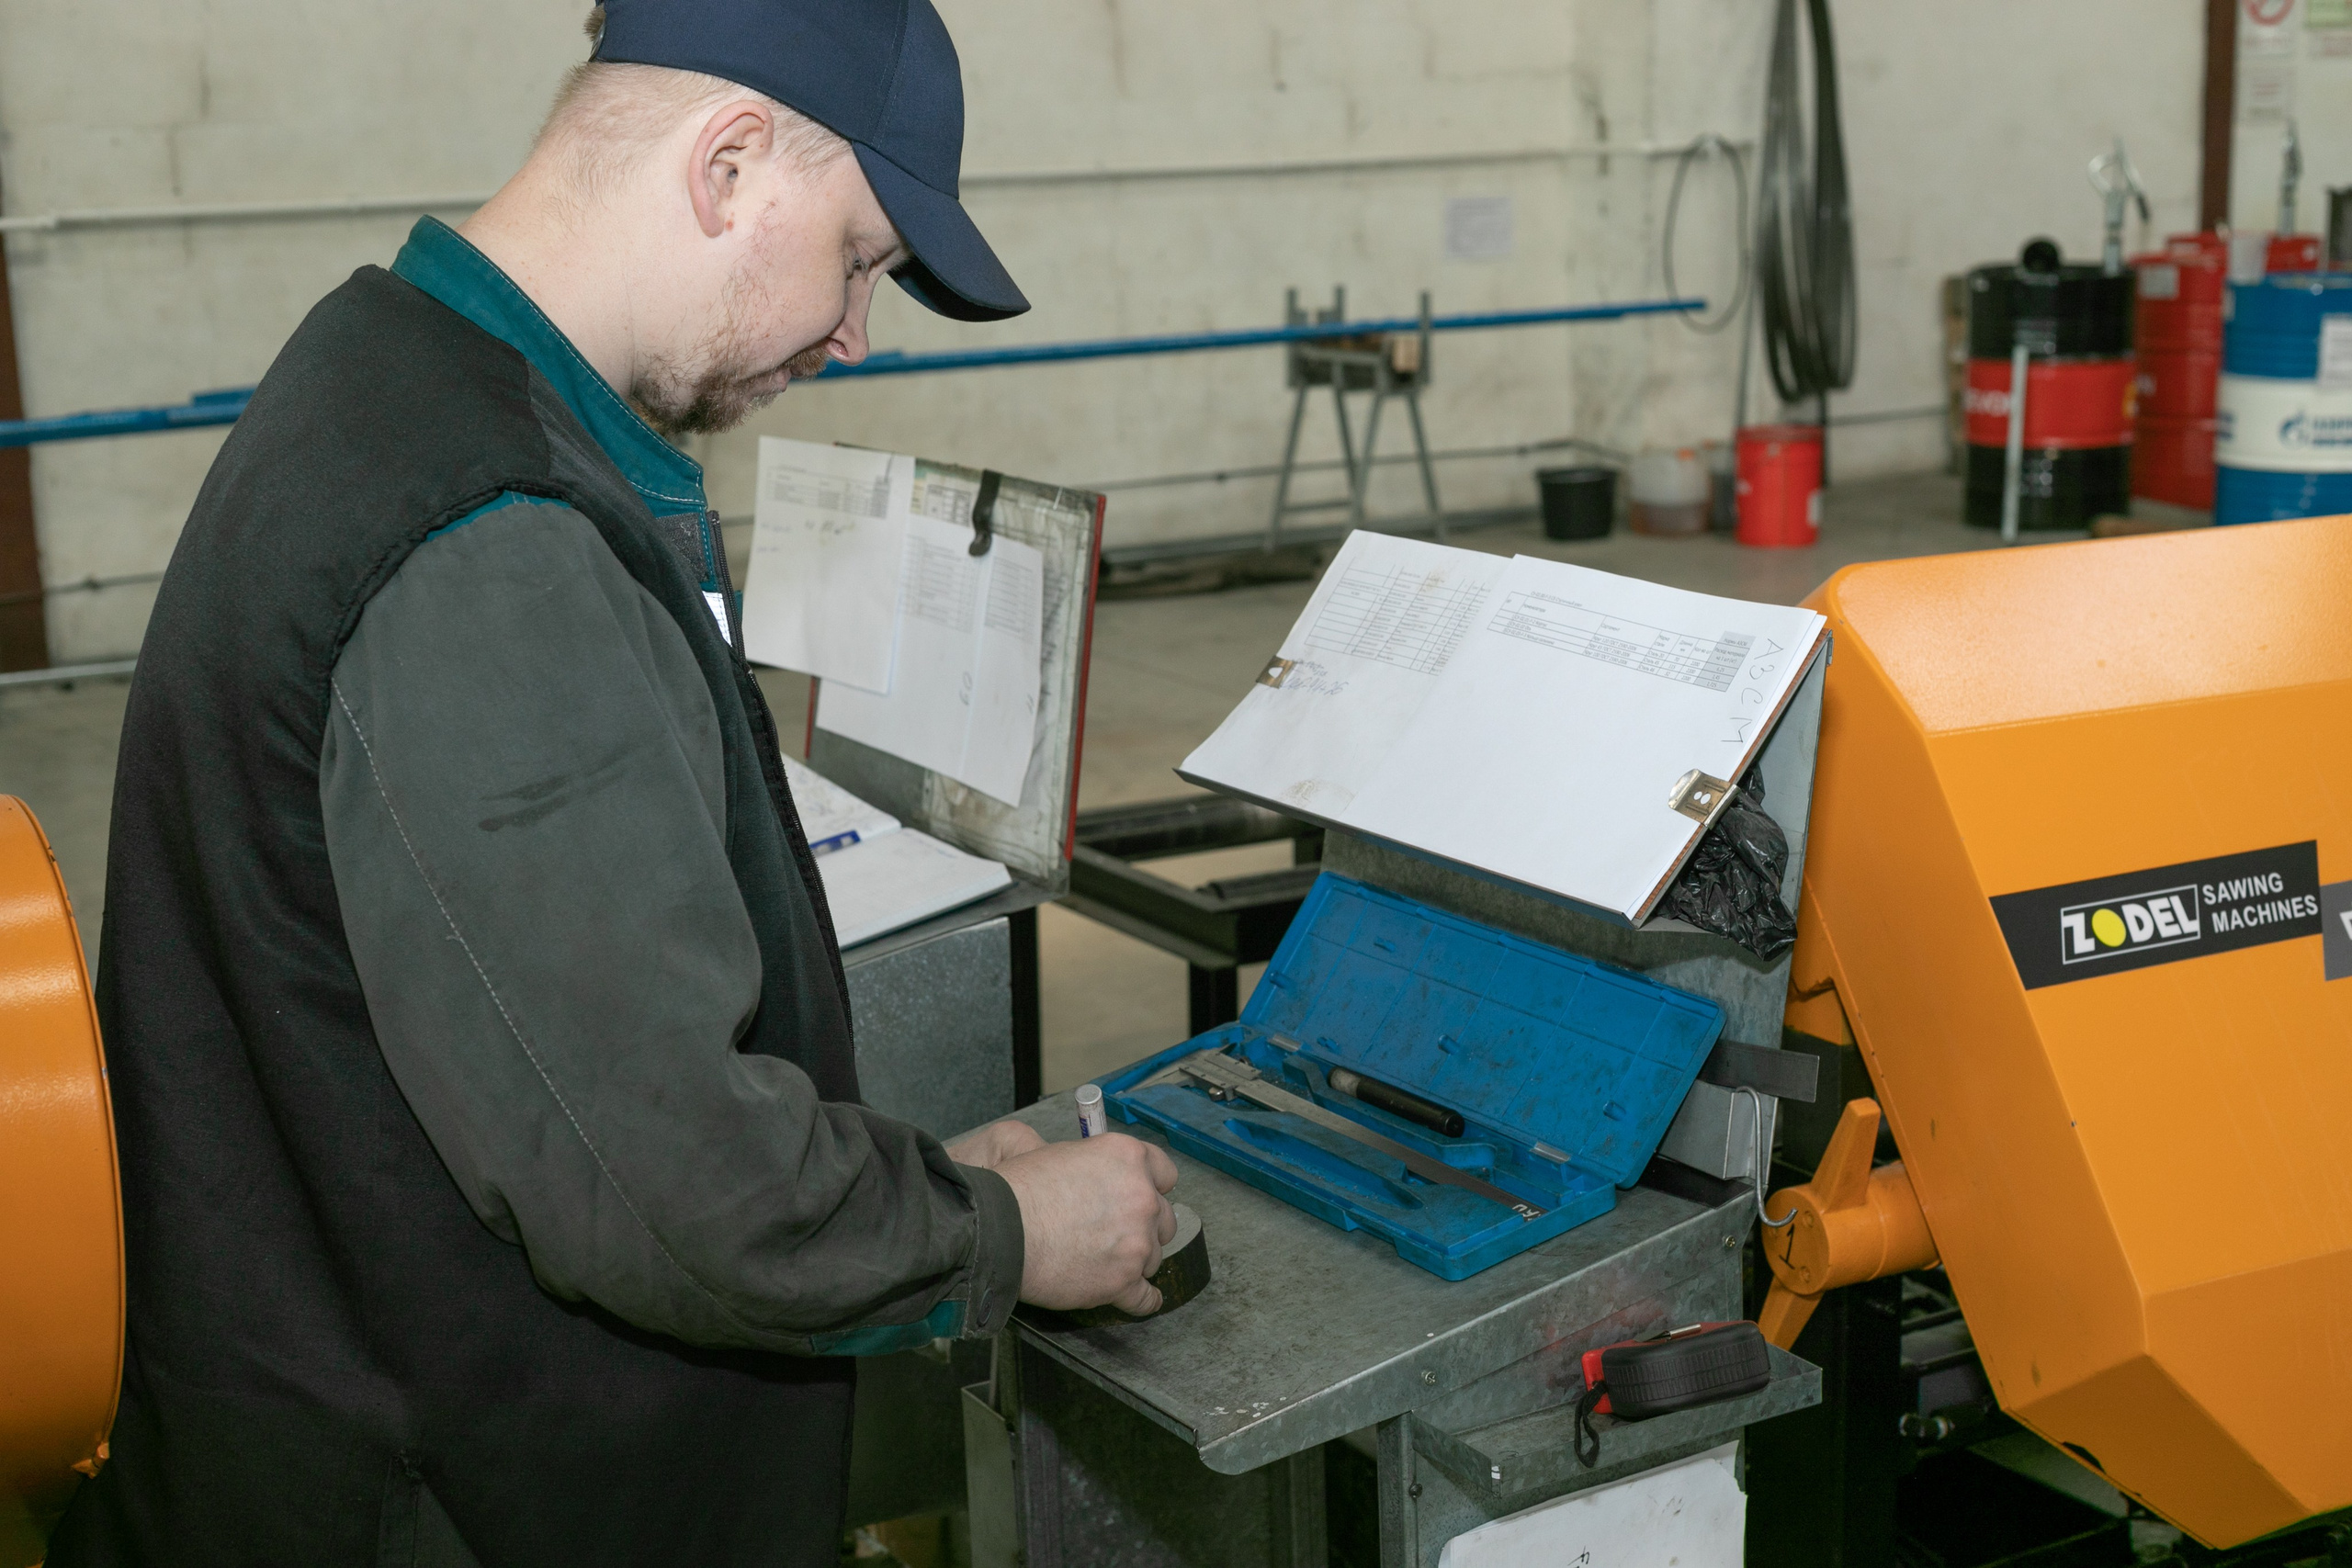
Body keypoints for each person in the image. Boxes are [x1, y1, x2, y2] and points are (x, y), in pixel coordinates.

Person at [49, 3, 1177, 1563]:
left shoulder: (386, 374)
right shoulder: (486, 545)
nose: (856, 329)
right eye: (858, 255)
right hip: (444, 1495)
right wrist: (1009, 1234)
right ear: (728, 167)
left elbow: (555, 1059)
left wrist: (902, 1188)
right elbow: (673, 1185)